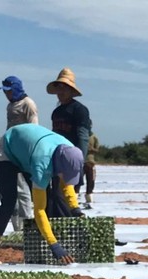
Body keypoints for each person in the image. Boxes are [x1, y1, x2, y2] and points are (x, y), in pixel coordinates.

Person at [0, 123, 85, 264]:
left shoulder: (71, 151)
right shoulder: (42, 165)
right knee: (9, 203)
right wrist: (53, 244)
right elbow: (39, 210)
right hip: (8, 150)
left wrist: (75, 208)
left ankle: (43, 249)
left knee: (50, 198)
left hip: (28, 152)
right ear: (58, 166)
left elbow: (66, 184)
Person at [47, 68, 91, 216]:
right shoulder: (56, 112)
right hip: (57, 158)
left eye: (64, 88)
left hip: (72, 159)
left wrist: (79, 161)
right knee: (56, 196)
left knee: (69, 196)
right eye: (59, 88)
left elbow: (83, 136)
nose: (61, 92)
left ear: (72, 90)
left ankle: (72, 228)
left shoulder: (80, 110)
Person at [0, 75, 38, 231]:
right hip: (10, 150)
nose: (6, 94)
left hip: (23, 152)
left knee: (23, 191)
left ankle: (26, 226)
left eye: (8, 91)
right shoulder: (10, 106)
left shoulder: (28, 104)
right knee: (10, 191)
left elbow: (33, 128)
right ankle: (17, 228)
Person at [83, 132, 99, 208]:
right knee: (77, 181)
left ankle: (89, 199)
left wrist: (91, 149)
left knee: (90, 181)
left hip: (90, 162)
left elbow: (97, 149)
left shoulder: (94, 137)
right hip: (81, 162)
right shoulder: (80, 136)